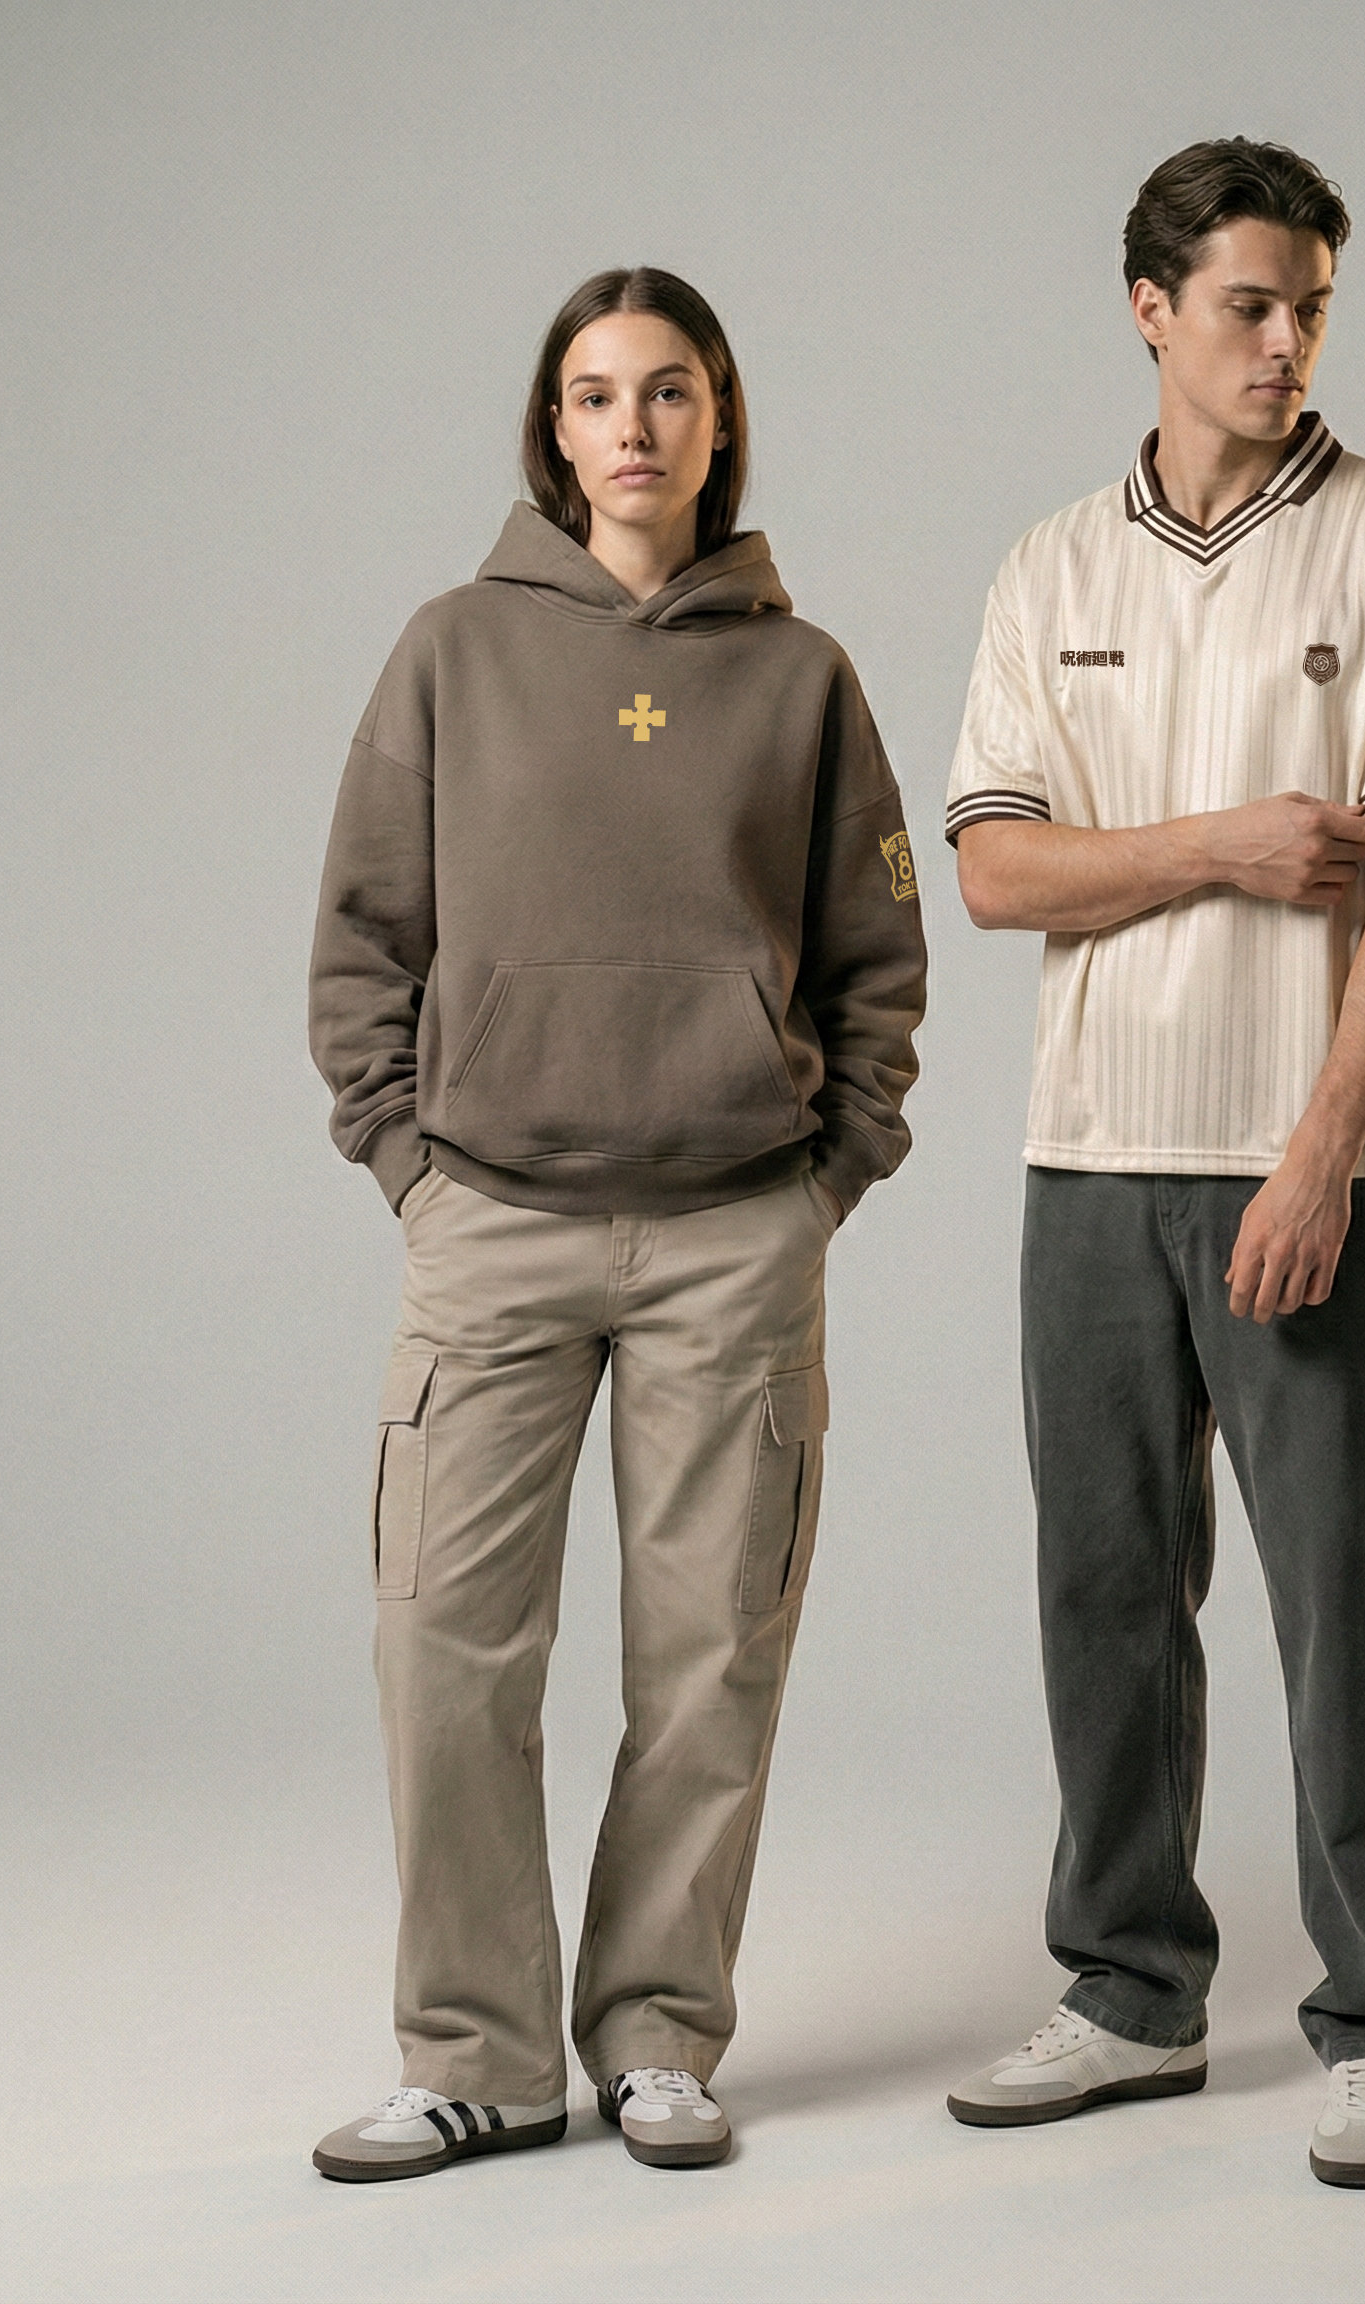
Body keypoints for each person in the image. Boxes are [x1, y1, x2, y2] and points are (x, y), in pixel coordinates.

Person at [306, 267, 925, 2182]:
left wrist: (829, 1178)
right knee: (444, 1652)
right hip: (491, 1226)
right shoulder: (450, 651)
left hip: (736, 1236)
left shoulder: (804, 677)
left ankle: (658, 2036)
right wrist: (411, 1165)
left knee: (709, 1664)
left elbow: (876, 961)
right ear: (554, 430)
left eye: (669, 390)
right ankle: (477, 2057)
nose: (634, 426)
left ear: (718, 418)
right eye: (596, 394)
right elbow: (363, 938)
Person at [942, 139, 1365, 2187]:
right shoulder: (1048, 570)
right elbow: (997, 873)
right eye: (1250, 305)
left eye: (1312, 310)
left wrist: (1325, 1155)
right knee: (1103, 1594)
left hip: (1312, 1162)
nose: (1285, 344)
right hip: (1089, 1159)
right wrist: (1221, 846)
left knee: (1354, 1603)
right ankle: (1127, 1995)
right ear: (1151, 310)